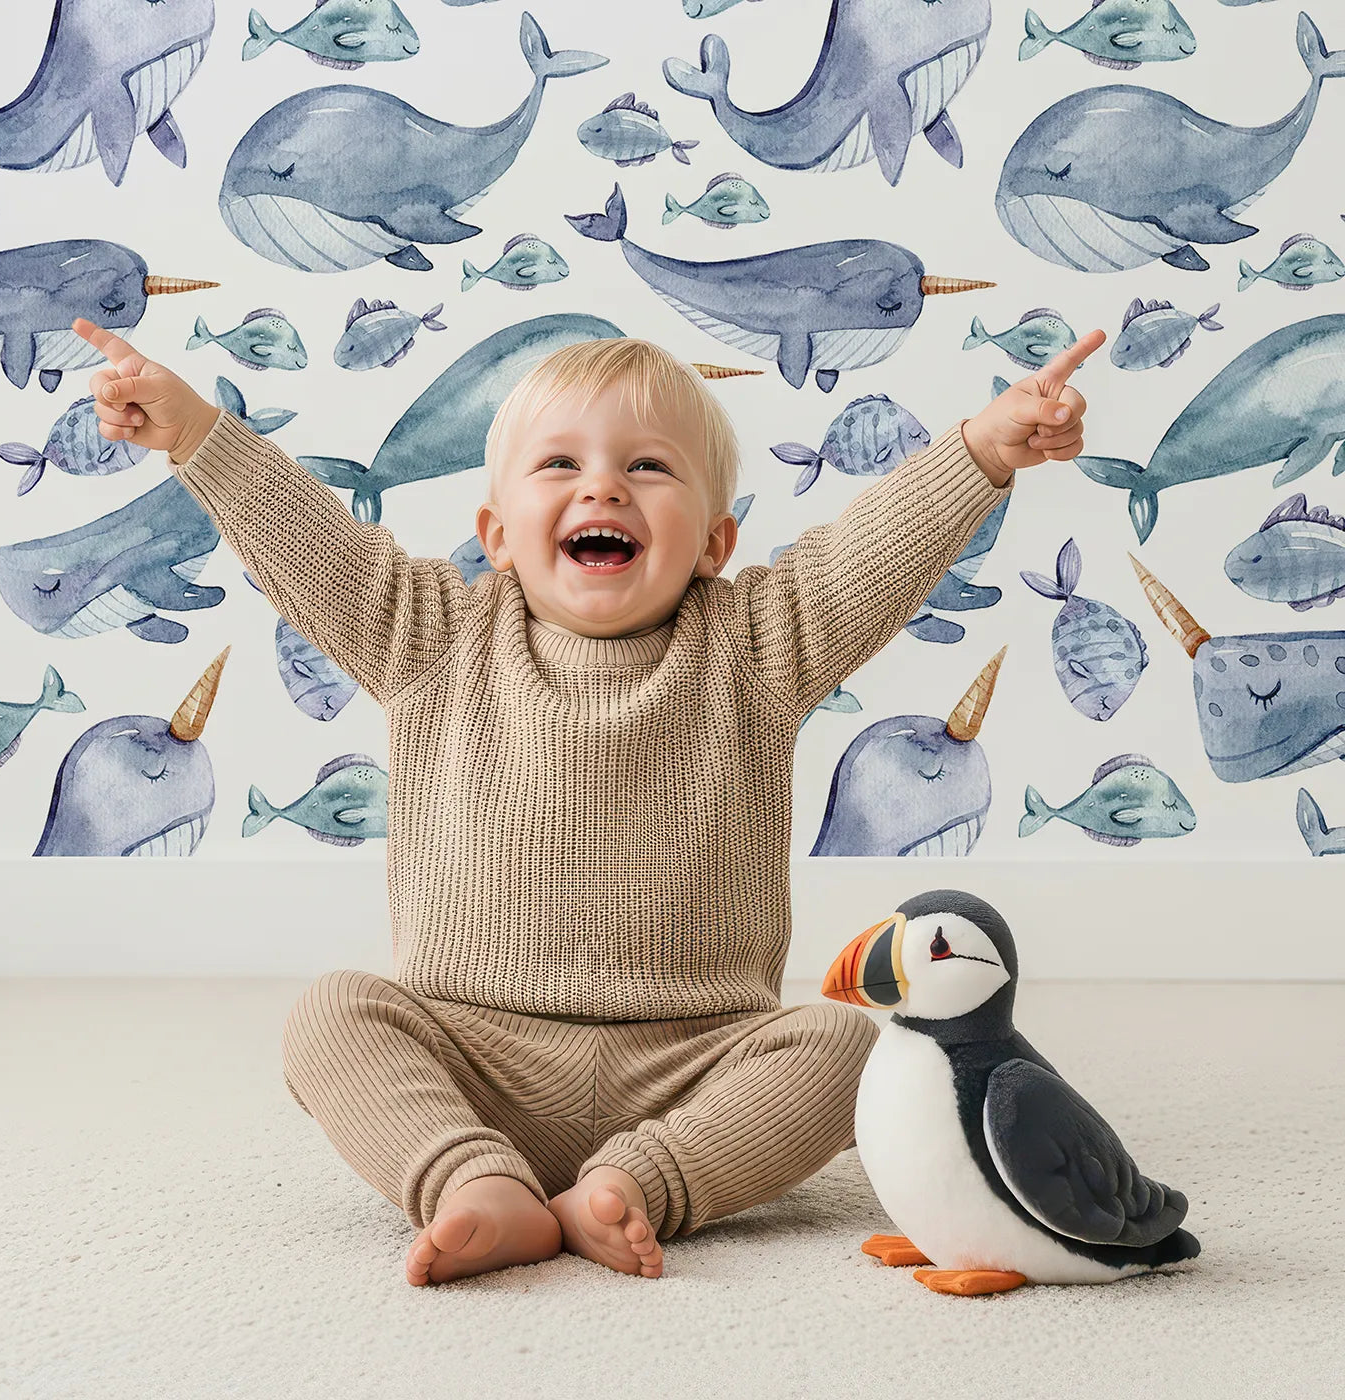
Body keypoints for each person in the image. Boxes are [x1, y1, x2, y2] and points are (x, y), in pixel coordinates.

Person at [71, 315, 1103, 1287]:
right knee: (330, 1015)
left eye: (645, 466)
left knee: (849, 1047)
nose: (601, 486)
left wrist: (984, 446)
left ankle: (632, 1184)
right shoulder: (428, 634)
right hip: (473, 1050)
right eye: (559, 464)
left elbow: (870, 550)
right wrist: (196, 432)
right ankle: (469, 1176)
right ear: (497, 533)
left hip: (694, 1061)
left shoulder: (756, 645)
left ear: (710, 542)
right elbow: (308, 541)